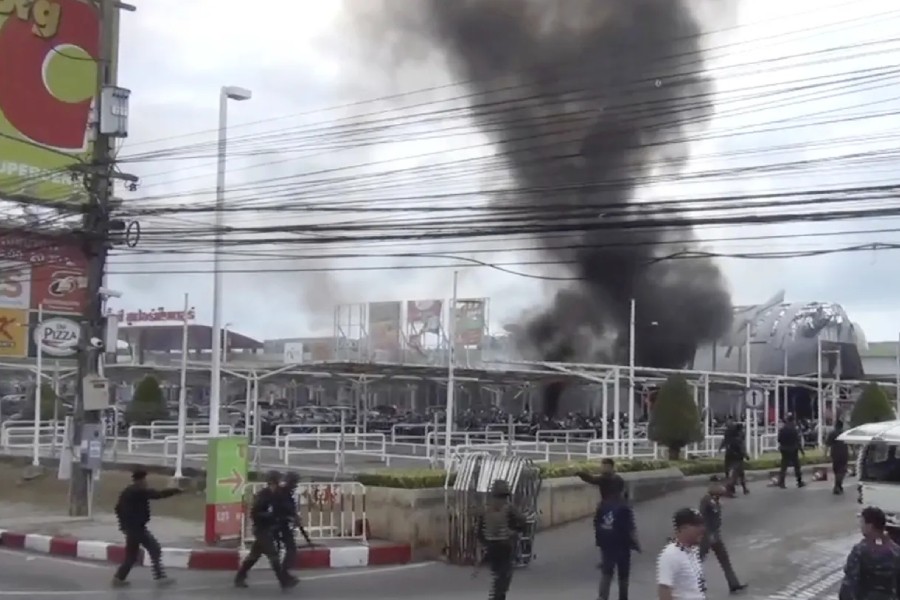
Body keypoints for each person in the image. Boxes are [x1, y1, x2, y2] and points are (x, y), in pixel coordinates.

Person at [111, 468, 182, 587]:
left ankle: (119, 578)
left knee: (132, 556)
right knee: (154, 549)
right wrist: (175, 491)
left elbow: (117, 508)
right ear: (140, 480)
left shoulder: (128, 491)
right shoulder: (139, 491)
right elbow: (158, 494)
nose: (146, 482)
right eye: (144, 479)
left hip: (132, 528)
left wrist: (123, 525)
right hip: (137, 528)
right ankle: (160, 577)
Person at [235, 471, 296, 589]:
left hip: (271, 529)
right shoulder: (263, 495)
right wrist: (270, 515)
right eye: (278, 481)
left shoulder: (278, 495)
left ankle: (240, 576)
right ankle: (283, 581)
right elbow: (255, 513)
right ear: (273, 482)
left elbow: (282, 509)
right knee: (273, 554)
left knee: (254, 555)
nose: (280, 484)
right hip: (261, 529)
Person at [477, 479, 527, 600]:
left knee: (497, 573)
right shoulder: (508, 507)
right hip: (505, 545)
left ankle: (496, 594)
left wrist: (485, 543)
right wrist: (515, 531)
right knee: (505, 573)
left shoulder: (485, 508)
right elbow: (522, 521)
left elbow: (479, 530)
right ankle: (497, 596)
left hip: (491, 545)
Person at [839, 506, 900, 600]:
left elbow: (849, 586)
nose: (860, 526)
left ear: (870, 526)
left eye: (862, 522)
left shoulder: (860, 551)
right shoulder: (896, 551)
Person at [698, 477, 747, 594]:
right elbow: (702, 518)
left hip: (715, 535)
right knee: (698, 561)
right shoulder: (707, 500)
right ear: (712, 487)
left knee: (725, 560)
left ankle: (734, 584)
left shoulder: (715, 499)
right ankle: (697, 586)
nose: (721, 487)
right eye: (718, 485)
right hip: (707, 535)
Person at [595, 487, 640, 600]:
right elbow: (631, 529)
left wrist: (600, 541)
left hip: (606, 544)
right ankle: (623, 597)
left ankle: (602, 597)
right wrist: (637, 544)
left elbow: (596, 524)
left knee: (607, 572)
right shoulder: (625, 508)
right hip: (622, 545)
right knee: (623, 575)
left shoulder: (603, 505)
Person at [657, 508, 707, 600]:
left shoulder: (693, 551)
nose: (702, 529)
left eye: (702, 524)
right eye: (697, 525)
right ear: (683, 528)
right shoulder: (670, 554)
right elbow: (664, 590)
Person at [275, 471, 313, 580]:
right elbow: (278, 510)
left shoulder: (286, 493)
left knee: (290, 549)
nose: (295, 485)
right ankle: (283, 574)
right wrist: (291, 517)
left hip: (283, 525)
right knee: (288, 550)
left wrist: (294, 517)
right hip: (276, 526)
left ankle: (284, 574)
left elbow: (289, 510)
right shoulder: (281, 493)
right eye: (294, 482)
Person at [776, 415, 805, 489]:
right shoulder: (794, 429)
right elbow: (798, 441)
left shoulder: (783, 429)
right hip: (793, 449)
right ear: (793, 420)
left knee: (783, 467)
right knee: (797, 466)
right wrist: (801, 450)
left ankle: (781, 482)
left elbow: (779, 439)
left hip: (784, 449)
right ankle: (799, 482)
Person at [721, 425, 749, 496]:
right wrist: (746, 456)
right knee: (736, 475)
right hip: (737, 459)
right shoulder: (738, 439)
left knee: (738, 474)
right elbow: (742, 449)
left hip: (730, 457)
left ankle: (742, 489)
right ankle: (730, 490)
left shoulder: (730, 438)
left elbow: (724, 444)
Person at [827, 420, 850, 495]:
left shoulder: (832, 433)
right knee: (842, 470)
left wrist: (825, 454)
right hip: (844, 453)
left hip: (835, 453)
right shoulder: (845, 433)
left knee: (836, 470)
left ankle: (838, 486)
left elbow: (828, 444)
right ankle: (838, 485)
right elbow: (850, 443)